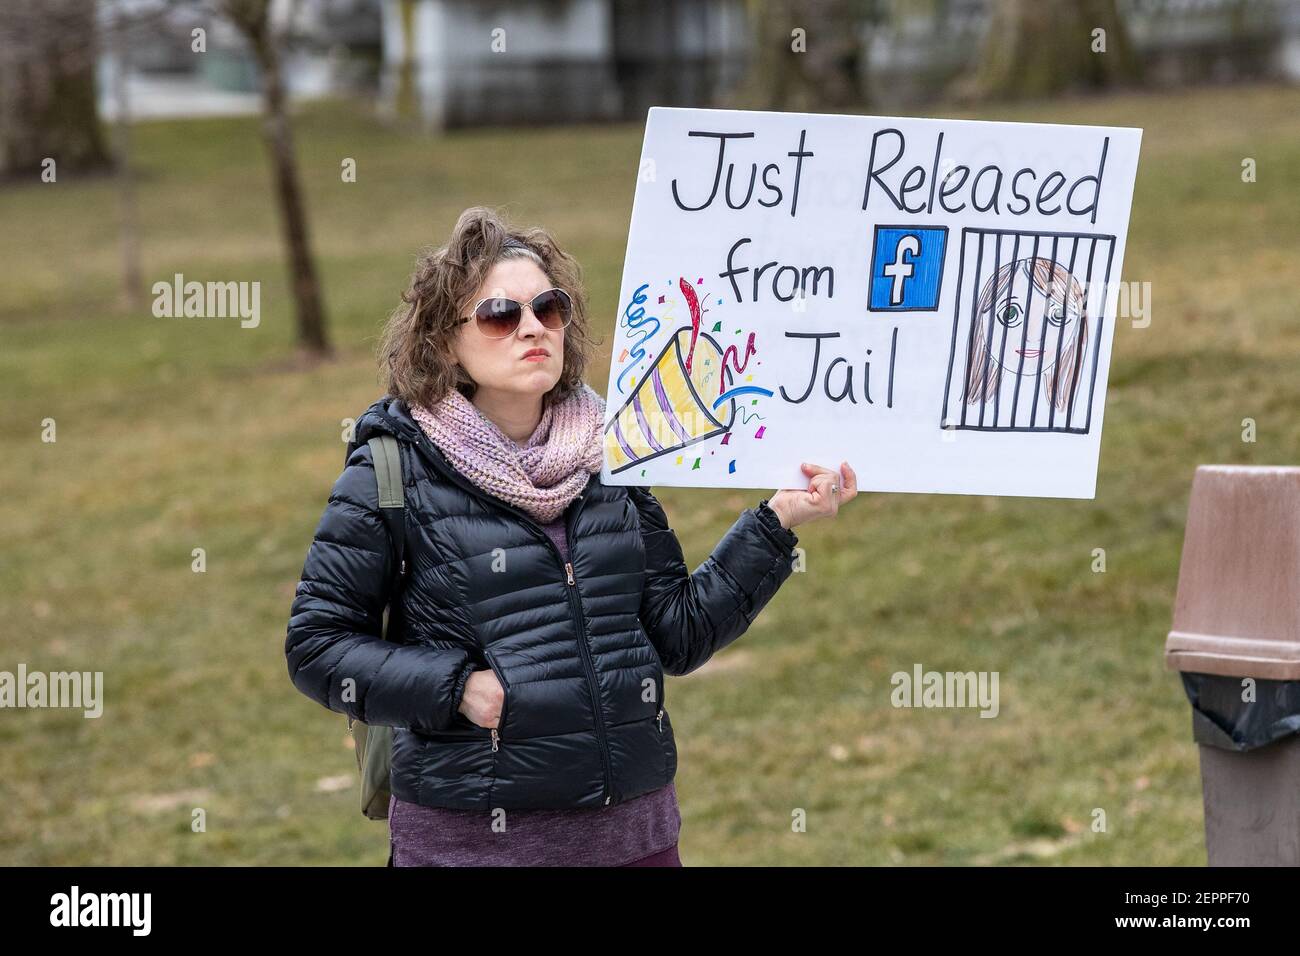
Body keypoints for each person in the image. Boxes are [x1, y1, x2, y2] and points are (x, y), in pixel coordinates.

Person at [285, 206, 858, 866]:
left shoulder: (611, 459)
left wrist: (778, 520)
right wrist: (452, 686)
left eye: (548, 309)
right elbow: (317, 647)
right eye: (501, 315)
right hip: (474, 849)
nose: (532, 329)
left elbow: (679, 634)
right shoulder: (392, 471)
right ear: (445, 342)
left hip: (637, 840)